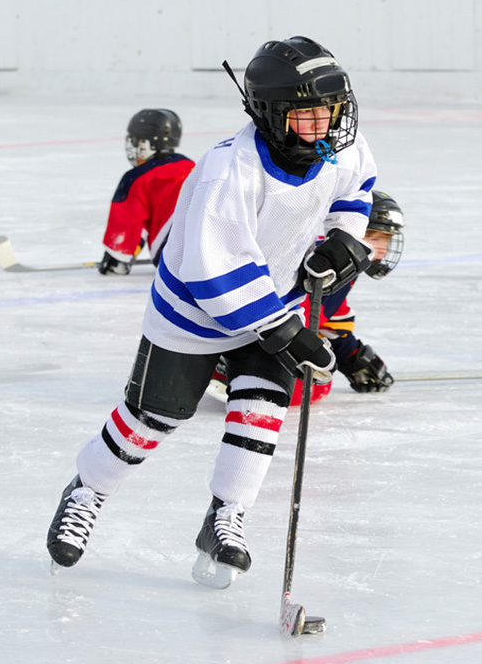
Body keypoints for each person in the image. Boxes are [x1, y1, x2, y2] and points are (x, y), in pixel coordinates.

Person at [47, 36, 377, 590]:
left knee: (262, 412)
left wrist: (344, 240)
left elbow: (356, 188)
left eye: (333, 109)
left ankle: (227, 516)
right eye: (308, 113)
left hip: (274, 303)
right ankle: (86, 490)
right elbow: (217, 271)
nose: (326, 123)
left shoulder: (339, 145)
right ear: (272, 115)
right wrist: (284, 328)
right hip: (192, 313)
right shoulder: (231, 170)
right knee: (150, 422)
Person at [207, 190, 405, 405]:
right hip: (258, 329)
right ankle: (233, 366)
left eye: (386, 240)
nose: (383, 250)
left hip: (275, 332)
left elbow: (328, 319)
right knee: (307, 387)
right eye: (375, 238)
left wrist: (355, 358)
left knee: (316, 380)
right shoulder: (321, 262)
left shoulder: (345, 270)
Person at [98, 109, 195, 275]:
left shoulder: (137, 179)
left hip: (177, 264)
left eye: (136, 141)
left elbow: (126, 228)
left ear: (147, 143)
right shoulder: (193, 167)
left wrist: (114, 261)